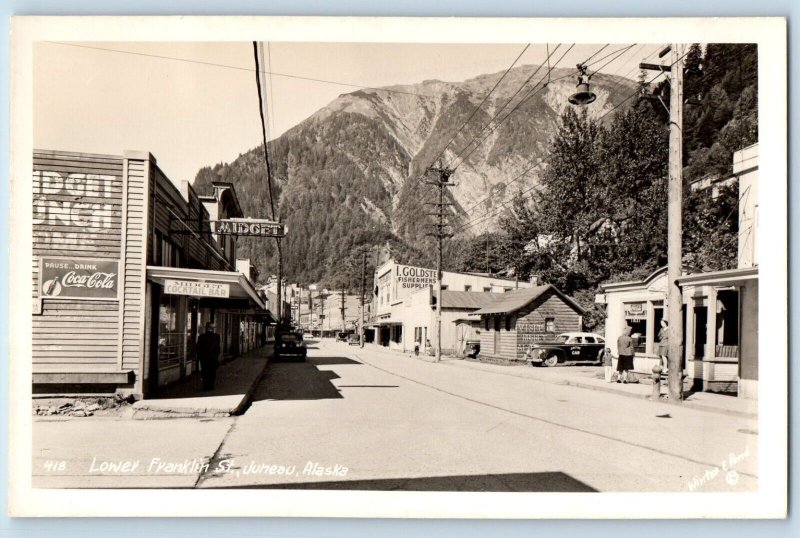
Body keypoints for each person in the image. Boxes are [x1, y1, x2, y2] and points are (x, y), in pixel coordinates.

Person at [196, 322, 221, 391]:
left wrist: (200, 356)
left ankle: (205, 387)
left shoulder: (201, 336)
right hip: (213, 358)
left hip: (204, 358)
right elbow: (218, 348)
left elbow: (198, 348)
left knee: (205, 372)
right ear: (213, 329)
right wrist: (216, 356)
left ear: (206, 328)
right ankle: (211, 386)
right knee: (212, 372)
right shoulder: (217, 336)